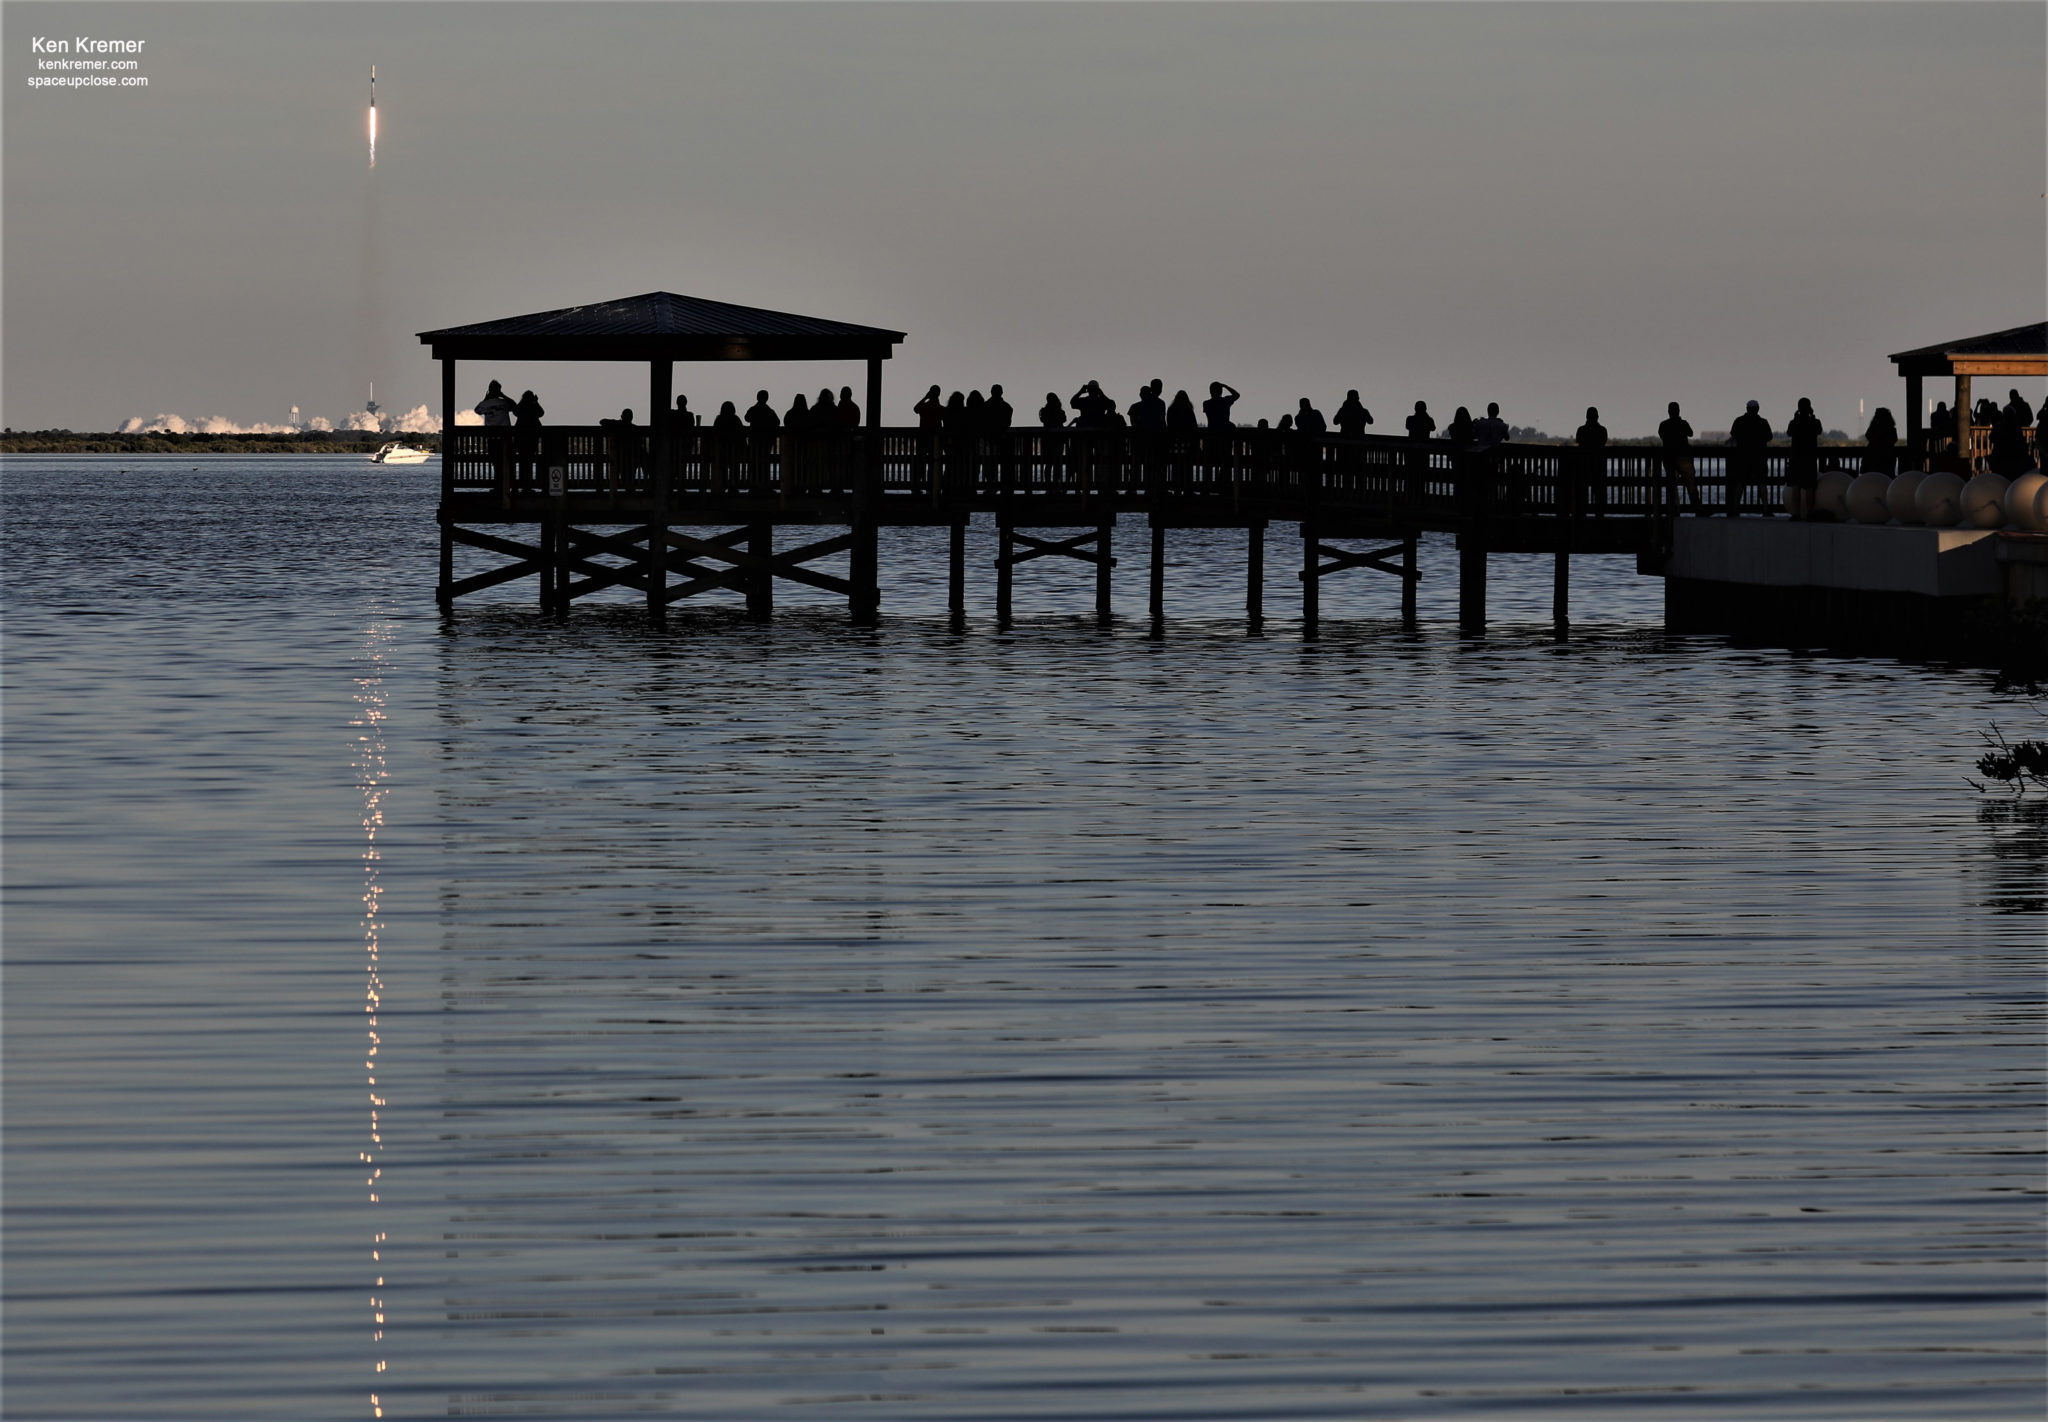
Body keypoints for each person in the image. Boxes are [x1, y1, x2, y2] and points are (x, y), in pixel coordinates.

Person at [1726, 399, 1771, 517]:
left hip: (1742, 457)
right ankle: (1766, 509)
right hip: (1760, 457)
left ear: (1747, 409)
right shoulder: (1763, 422)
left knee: (1740, 482)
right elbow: (1769, 437)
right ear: (1758, 409)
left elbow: (1733, 434)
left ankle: (1735, 509)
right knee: (1762, 483)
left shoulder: (1739, 421)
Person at [1784, 397, 1822, 520]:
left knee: (1796, 487)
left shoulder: (1794, 422)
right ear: (1810, 407)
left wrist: (1795, 418)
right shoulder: (1815, 422)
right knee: (1810, 488)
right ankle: (1809, 513)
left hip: (1796, 458)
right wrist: (1813, 416)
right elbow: (1819, 431)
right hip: (1810, 459)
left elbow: (1789, 432)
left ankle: (1796, 514)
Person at [1659, 401, 1701, 511]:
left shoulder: (1664, 424)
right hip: (1684, 457)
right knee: (1691, 483)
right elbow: (1690, 433)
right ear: (1678, 411)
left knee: (1672, 485)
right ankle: (1697, 508)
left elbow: (1662, 436)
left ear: (1668, 412)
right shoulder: (1683, 423)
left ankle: (1674, 510)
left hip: (1669, 458)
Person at [1575, 406, 1608, 513]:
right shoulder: (1602, 430)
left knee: (1582, 490)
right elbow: (1603, 443)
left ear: (1586, 417)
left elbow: (1579, 442)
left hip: (1583, 468)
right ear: (1597, 417)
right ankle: (1599, 513)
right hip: (1599, 468)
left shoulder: (1581, 430)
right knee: (1599, 492)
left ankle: (1582, 512)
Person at [513, 389, 545, 487]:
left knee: (523, 463)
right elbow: (541, 413)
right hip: (532, 440)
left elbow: (515, 411)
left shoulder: (521, 408)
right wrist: (536, 402)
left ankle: (522, 484)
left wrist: (521, 402)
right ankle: (528, 484)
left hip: (521, 440)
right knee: (529, 463)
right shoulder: (533, 408)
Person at [1861, 407, 1897, 475]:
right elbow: (1894, 439)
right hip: (1888, 457)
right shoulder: (1891, 429)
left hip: (1872, 457)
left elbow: (1868, 436)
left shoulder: (1873, 428)